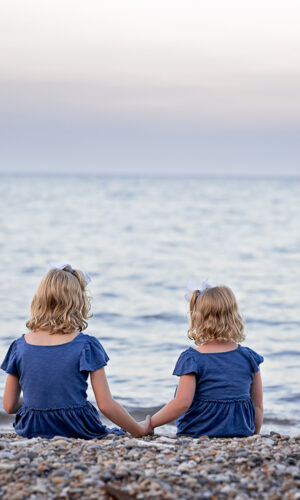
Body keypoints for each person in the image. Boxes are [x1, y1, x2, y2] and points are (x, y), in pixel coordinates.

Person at [1, 264, 150, 439]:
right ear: (78, 302)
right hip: (75, 426)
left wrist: (37, 404)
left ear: (39, 299)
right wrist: (138, 430)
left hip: (31, 427)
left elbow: (9, 406)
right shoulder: (86, 345)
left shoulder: (19, 346)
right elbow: (105, 405)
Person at [149, 282, 264, 437]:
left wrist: (150, 423)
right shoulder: (250, 357)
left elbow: (182, 403)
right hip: (241, 432)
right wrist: (253, 434)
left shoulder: (192, 359)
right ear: (234, 315)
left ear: (196, 318)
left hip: (197, 431)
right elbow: (257, 405)